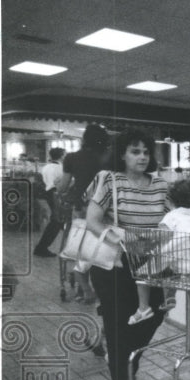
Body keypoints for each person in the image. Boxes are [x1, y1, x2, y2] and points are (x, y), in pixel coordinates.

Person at [86, 129, 170, 380]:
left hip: (150, 265)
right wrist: (122, 241)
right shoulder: (109, 180)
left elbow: (170, 221)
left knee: (155, 312)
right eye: (135, 151)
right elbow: (93, 222)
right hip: (116, 264)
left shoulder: (160, 185)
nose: (142, 157)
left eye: (146, 151)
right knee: (118, 321)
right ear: (122, 154)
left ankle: (124, 355)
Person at [129, 179, 190, 325]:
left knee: (142, 274)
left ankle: (143, 308)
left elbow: (164, 235)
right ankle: (170, 296)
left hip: (176, 260)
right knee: (171, 271)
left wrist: (144, 236)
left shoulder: (173, 215)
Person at [54, 125, 112, 303]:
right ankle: (101, 288)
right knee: (103, 248)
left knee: (81, 247)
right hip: (106, 210)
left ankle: (84, 289)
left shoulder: (72, 158)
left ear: (84, 139)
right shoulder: (108, 157)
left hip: (81, 208)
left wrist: (59, 185)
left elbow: (63, 187)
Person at [32, 147, 66, 257]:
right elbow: (57, 184)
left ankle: (42, 247)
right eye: (64, 154)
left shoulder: (46, 167)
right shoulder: (59, 168)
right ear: (61, 156)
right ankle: (41, 248)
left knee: (58, 222)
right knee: (57, 222)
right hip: (55, 194)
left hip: (48, 193)